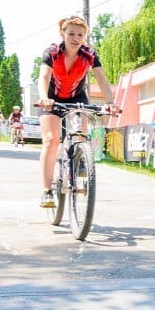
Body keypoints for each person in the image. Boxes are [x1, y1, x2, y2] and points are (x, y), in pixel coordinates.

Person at [36, 16, 116, 207]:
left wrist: (111, 102)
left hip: (77, 98)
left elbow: (102, 79)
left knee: (81, 134)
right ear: (62, 34)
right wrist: (43, 97)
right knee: (51, 140)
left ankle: (80, 160)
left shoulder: (89, 54)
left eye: (80, 34)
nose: (75, 38)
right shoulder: (52, 52)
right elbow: (43, 77)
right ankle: (47, 191)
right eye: (71, 33)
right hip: (51, 98)